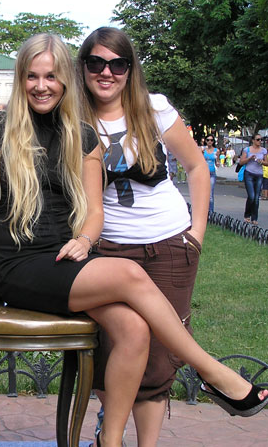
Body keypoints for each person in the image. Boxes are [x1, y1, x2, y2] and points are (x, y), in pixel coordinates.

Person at [0, 33, 268, 447]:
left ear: (65, 80)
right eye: (32, 76)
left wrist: (86, 239)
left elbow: (95, 212)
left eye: (51, 76)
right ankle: (214, 374)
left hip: (65, 260)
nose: (41, 86)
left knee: (134, 329)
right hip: (16, 265)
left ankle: (111, 440)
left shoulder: (82, 135)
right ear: (20, 78)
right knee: (129, 274)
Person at [76, 26, 212, 446]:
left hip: (167, 243)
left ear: (130, 69)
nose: (107, 73)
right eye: (96, 63)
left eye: (117, 64)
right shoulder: (72, 116)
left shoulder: (154, 109)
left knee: (159, 356)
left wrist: (197, 233)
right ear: (83, 67)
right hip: (108, 248)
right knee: (111, 346)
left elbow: (197, 167)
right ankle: (110, 432)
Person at [238, 134, 268, 225]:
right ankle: (247, 215)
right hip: (249, 174)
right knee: (251, 196)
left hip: (259, 174)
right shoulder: (247, 150)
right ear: (253, 140)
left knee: (256, 198)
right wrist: (249, 158)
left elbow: (267, 163)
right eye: (258, 139)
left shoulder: (263, 150)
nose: (260, 141)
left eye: (261, 139)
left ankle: (254, 218)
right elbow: (241, 162)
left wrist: (262, 162)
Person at [203, 135, 219, 212]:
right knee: (203, 192)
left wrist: (218, 163)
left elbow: (217, 162)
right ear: (205, 141)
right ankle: (203, 211)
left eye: (211, 140)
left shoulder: (216, 150)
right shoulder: (203, 150)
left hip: (212, 173)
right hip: (203, 173)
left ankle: (211, 212)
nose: (210, 141)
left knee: (210, 194)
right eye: (208, 140)